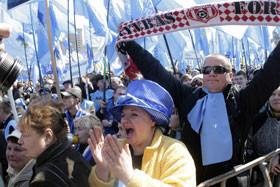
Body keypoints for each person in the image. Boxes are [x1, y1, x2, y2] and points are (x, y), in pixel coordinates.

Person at [117, 39, 280, 185]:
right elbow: (156, 71)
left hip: (231, 180)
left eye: (218, 69)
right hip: (194, 177)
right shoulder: (187, 96)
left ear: (230, 75)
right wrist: (130, 44)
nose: (211, 73)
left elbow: (270, 72)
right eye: (207, 69)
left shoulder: (243, 99)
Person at [88, 80, 196, 187]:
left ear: (153, 121)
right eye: (123, 115)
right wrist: (102, 169)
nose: (125, 120)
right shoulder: (116, 147)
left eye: (134, 114)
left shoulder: (174, 151)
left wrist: (130, 177)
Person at [17, 96, 91, 187]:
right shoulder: (73, 156)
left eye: (25, 135)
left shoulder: (44, 181)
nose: (20, 141)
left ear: (48, 137)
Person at [247, 86, 280, 186]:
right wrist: (267, 162)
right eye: (272, 94)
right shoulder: (257, 120)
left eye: (279, 95)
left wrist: (278, 159)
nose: (276, 98)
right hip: (261, 178)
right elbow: (248, 149)